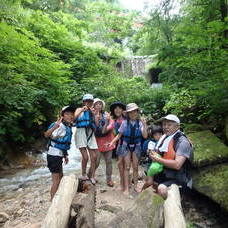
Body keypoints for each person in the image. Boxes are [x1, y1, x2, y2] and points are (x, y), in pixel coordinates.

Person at [150, 114, 193, 199]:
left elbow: (177, 165)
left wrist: (158, 159)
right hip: (166, 173)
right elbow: (158, 153)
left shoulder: (182, 142)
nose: (166, 127)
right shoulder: (165, 137)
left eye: (169, 125)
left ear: (177, 127)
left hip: (180, 178)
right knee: (150, 179)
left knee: (161, 188)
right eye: (164, 124)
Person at [110, 103, 147, 195]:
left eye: (134, 111)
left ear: (137, 112)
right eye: (130, 112)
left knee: (135, 167)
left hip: (137, 145)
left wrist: (145, 125)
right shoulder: (124, 122)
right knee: (127, 167)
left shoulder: (140, 123)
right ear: (127, 114)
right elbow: (119, 135)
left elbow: (145, 136)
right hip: (126, 145)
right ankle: (126, 188)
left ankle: (135, 187)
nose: (132, 114)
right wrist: (112, 142)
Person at [44, 106, 74, 201]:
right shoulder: (59, 125)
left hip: (58, 155)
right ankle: (53, 201)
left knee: (60, 177)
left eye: (71, 114)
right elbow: (46, 135)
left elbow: (63, 144)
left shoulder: (67, 126)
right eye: (67, 114)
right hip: (54, 155)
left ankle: (58, 197)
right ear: (62, 115)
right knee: (56, 180)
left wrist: (65, 155)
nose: (69, 116)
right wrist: (54, 127)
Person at [74, 94, 98, 184]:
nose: (88, 103)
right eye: (86, 101)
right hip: (81, 132)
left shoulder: (93, 111)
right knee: (85, 156)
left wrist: (94, 114)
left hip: (90, 132)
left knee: (94, 157)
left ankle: (92, 175)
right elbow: (74, 119)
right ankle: (83, 174)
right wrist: (81, 111)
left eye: (90, 101)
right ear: (83, 102)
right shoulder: (79, 109)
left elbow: (96, 124)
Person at [92, 98, 116, 187]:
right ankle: (90, 176)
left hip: (108, 139)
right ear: (93, 106)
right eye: (96, 104)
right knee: (96, 161)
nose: (98, 105)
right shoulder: (91, 115)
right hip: (97, 140)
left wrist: (107, 126)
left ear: (102, 106)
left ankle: (109, 180)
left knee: (109, 161)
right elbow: (93, 128)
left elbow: (112, 123)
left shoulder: (106, 114)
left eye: (100, 104)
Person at [140, 125, 163, 191]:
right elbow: (151, 155)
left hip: (158, 165)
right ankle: (142, 190)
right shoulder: (151, 143)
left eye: (160, 134)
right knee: (150, 182)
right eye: (156, 135)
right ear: (153, 136)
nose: (158, 136)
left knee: (157, 182)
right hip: (150, 165)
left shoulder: (163, 142)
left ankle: (155, 195)